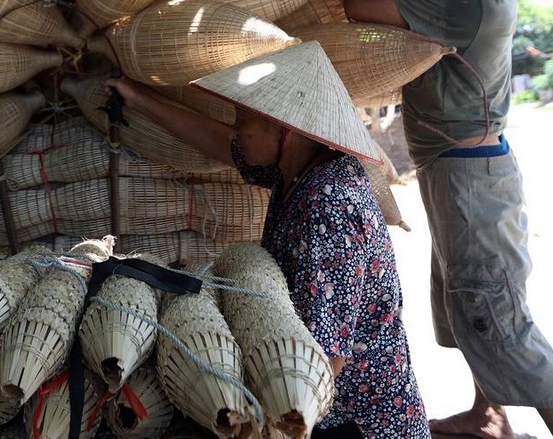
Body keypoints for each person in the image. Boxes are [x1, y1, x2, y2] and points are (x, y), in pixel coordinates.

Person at [343, 0, 553, 439]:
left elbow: (358, 4)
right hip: (456, 172)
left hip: (471, 180)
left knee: (498, 317)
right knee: (468, 299)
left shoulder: (470, 5)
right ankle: (487, 415)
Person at [105, 41, 429, 438]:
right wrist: (137, 99)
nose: (236, 132)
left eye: (242, 119)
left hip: (349, 417)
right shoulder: (294, 169)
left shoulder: (328, 206)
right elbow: (219, 141)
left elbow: (326, 359)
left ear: (284, 129)